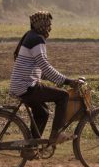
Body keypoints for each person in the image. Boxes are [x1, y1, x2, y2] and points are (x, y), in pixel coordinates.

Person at [9, 11, 77, 145]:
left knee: (43, 112)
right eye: (48, 25)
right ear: (41, 25)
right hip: (27, 86)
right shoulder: (36, 39)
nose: (50, 28)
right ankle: (56, 135)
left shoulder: (30, 36)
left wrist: (59, 80)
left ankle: (31, 147)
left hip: (21, 85)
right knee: (63, 96)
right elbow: (45, 66)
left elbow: (41, 70)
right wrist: (67, 81)